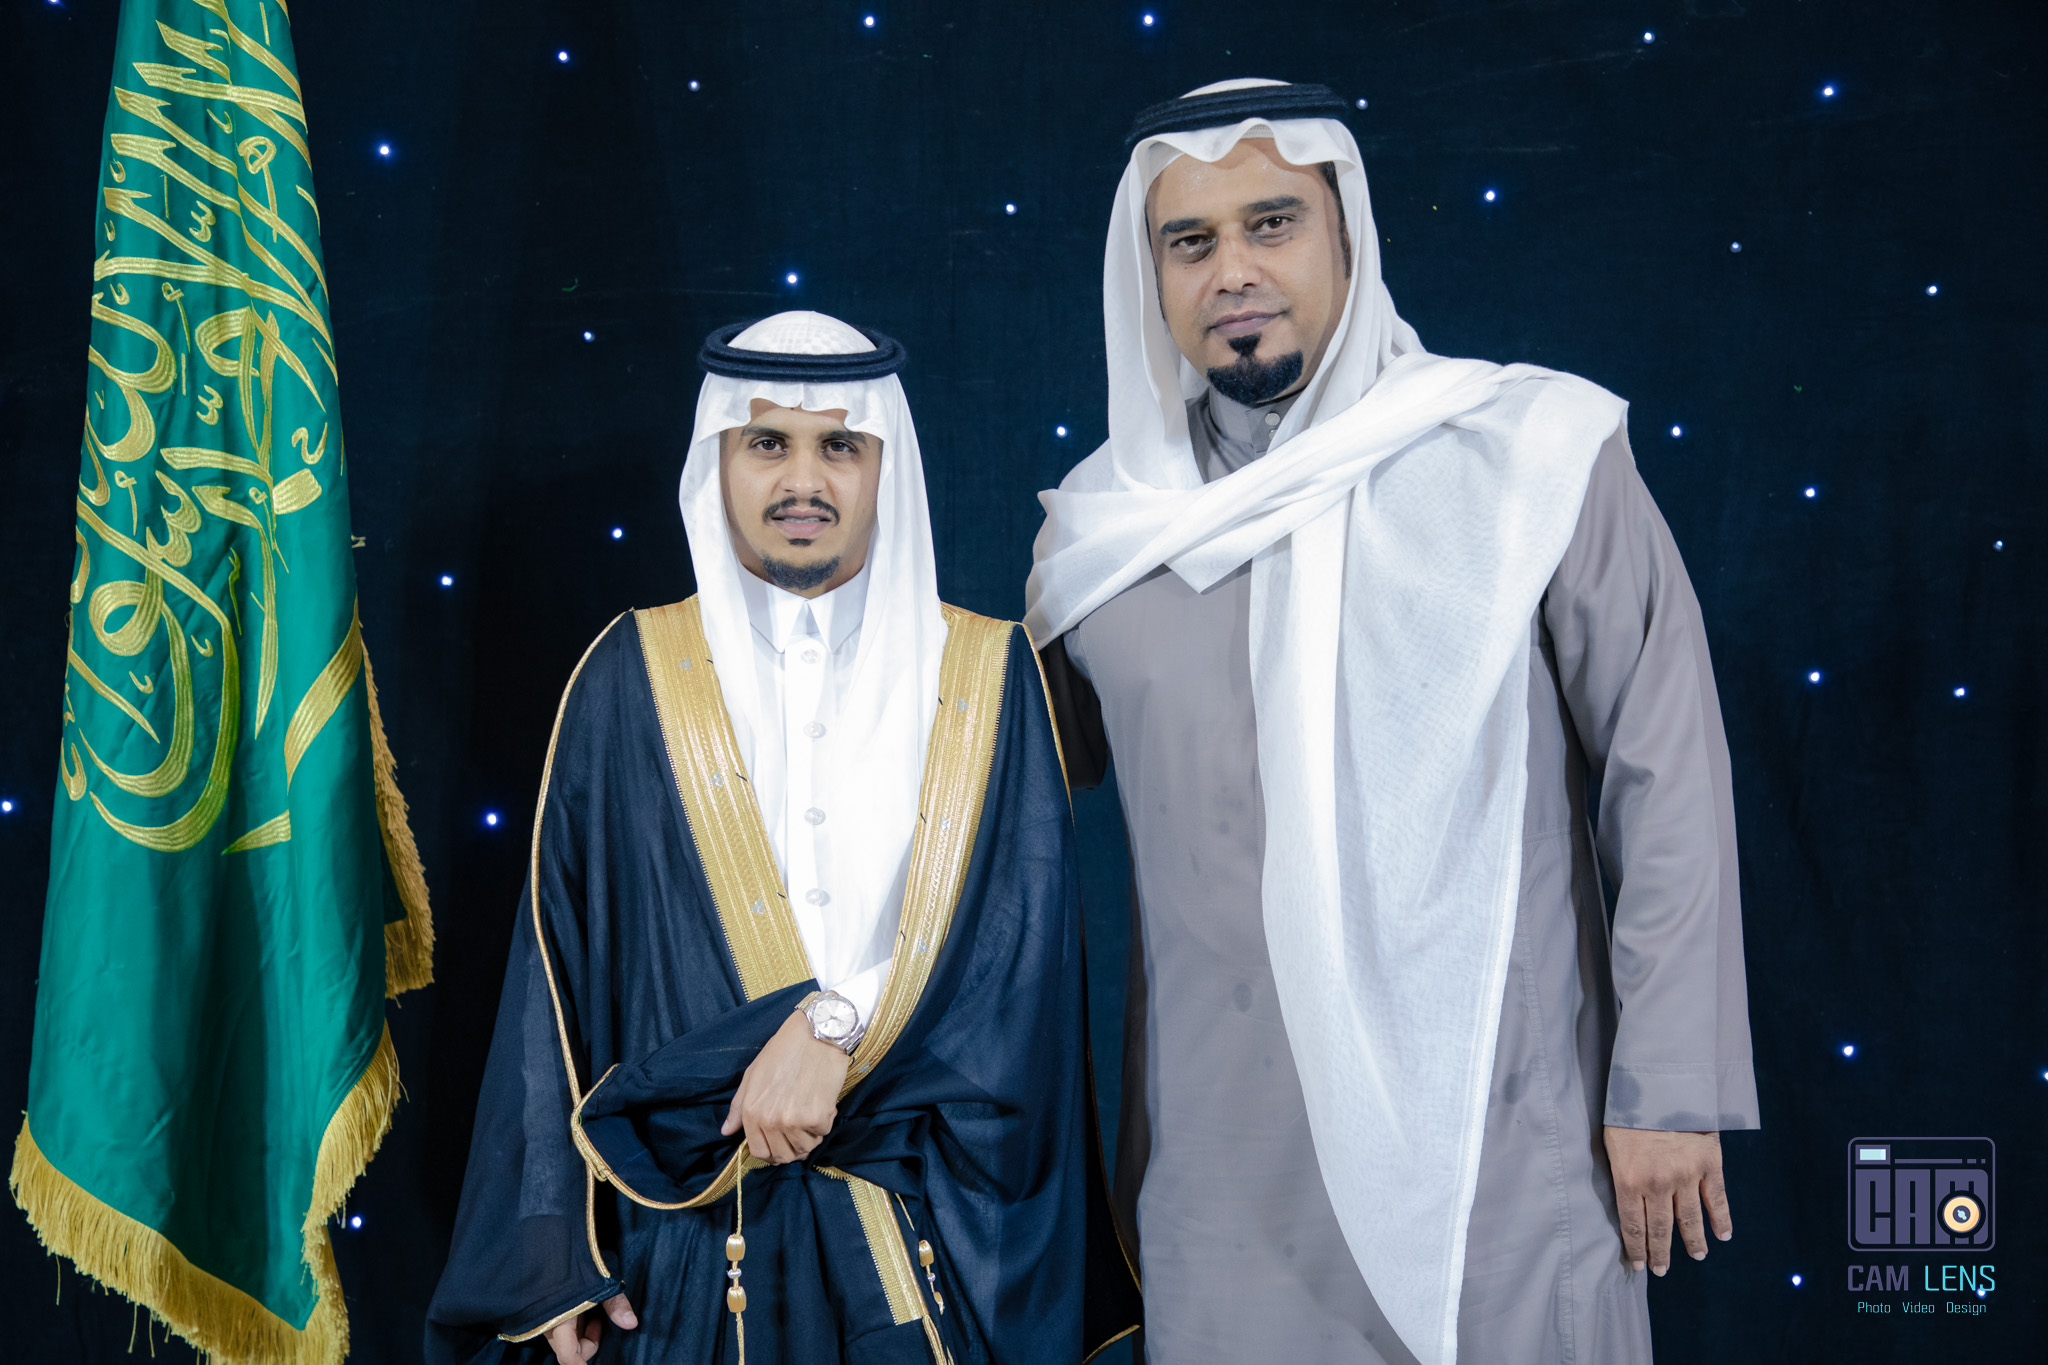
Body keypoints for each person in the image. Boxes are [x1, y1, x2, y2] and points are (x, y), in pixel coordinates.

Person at [1027, 81, 1758, 1365]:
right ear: (1148, 276)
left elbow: (1663, 768)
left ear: (1346, 235)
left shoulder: (1527, 454)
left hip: (1504, 1146)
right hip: (1220, 1179)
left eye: (1271, 223)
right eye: (1189, 242)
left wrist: (1668, 1086)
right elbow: (991, 820)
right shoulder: (1099, 539)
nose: (1232, 270)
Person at [428, 311, 1137, 1365]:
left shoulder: (989, 677)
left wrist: (831, 1031)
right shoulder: (627, 674)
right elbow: (557, 979)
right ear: (717, 460)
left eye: (839, 446)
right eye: (767, 443)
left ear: (884, 467)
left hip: (923, 1240)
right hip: (684, 1248)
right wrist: (552, 1258)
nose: (803, 480)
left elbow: (1020, 961)